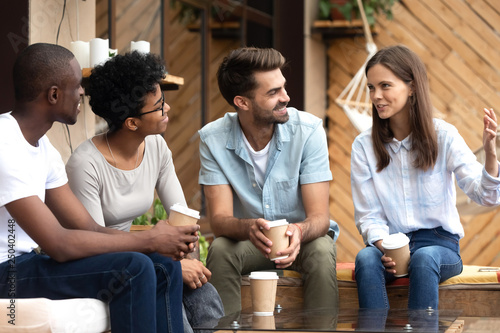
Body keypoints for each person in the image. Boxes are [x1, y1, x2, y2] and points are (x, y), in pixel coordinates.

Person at [0, 42, 200, 332]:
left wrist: (155, 246)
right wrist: (149, 240)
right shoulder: (6, 144)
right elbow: (59, 244)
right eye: (77, 85)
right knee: (134, 269)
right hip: (8, 271)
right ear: (54, 95)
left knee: (162, 266)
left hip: (27, 264)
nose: (83, 92)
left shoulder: (44, 149)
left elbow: (88, 228)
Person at [65, 51, 224, 332]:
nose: (168, 109)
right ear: (132, 123)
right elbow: (92, 244)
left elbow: (182, 217)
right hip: (110, 264)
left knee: (204, 296)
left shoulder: (156, 147)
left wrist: (187, 261)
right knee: (168, 274)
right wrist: (172, 264)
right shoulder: (85, 164)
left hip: (142, 254)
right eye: (159, 106)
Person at [351, 44, 500, 310]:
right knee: (365, 259)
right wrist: (385, 247)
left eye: (385, 86)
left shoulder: (444, 135)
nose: (376, 96)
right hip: (391, 245)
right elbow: (369, 216)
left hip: (440, 246)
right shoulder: (363, 146)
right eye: (371, 87)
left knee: (424, 258)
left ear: (412, 87)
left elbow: (486, 196)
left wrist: (490, 154)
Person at [198, 47, 340, 314]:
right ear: (242, 102)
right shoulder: (212, 139)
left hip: (303, 242)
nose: (286, 97)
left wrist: (298, 231)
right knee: (220, 249)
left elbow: (320, 217)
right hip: (250, 245)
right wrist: (249, 227)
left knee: (322, 249)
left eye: (283, 88)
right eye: (273, 93)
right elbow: (219, 221)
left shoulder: (308, 131)